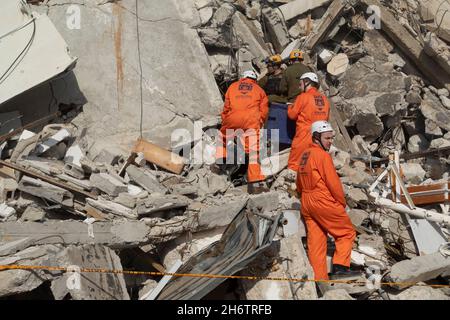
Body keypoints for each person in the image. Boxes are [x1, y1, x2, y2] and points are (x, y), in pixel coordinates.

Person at [296, 121, 359, 280]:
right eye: (327, 138)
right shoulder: (322, 155)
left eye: (331, 138)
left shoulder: (305, 155)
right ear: (316, 137)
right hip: (322, 200)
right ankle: (341, 268)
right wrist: (341, 203)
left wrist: (304, 196)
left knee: (316, 244)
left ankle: (319, 281)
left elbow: (298, 183)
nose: (330, 141)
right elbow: (333, 183)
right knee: (346, 232)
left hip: (306, 200)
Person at [216, 70, 269, 194]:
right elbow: (264, 111)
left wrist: (226, 122)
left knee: (222, 138)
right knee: (252, 151)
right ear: (254, 80)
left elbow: (226, 107)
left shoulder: (233, 87)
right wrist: (259, 122)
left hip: (233, 118)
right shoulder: (259, 90)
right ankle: (255, 180)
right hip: (251, 121)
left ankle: (220, 161)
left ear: (243, 78)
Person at [287, 72, 330, 172]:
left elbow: (292, 115)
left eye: (300, 84)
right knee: (314, 165)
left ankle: (291, 185)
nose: (299, 87)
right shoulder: (325, 99)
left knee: (294, 166)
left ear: (307, 82)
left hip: (304, 136)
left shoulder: (303, 97)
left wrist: (289, 107)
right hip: (320, 137)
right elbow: (326, 119)